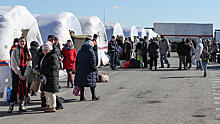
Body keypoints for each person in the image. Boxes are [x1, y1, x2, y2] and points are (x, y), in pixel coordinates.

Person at [8, 37, 32, 113]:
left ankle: (22, 105)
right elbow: (13, 63)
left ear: (25, 42)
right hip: (16, 72)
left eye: (24, 41)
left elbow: (29, 63)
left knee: (24, 89)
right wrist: (19, 74)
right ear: (18, 42)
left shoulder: (28, 51)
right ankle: (11, 106)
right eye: (21, 41)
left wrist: (25, 74)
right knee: (15, 89)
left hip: (24, 72)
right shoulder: (15, 51)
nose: (22, 43)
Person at [40, 43, 59, 112]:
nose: (43, 51)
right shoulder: (47, 56)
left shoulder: (53, 56)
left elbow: (53, 67)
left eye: (44, 50)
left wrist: (43, 71)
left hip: (51, 76)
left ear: (48, 50)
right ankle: (48, 105)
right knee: (47, 92)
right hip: (47, 76)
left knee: (51, 92)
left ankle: (53, 106)